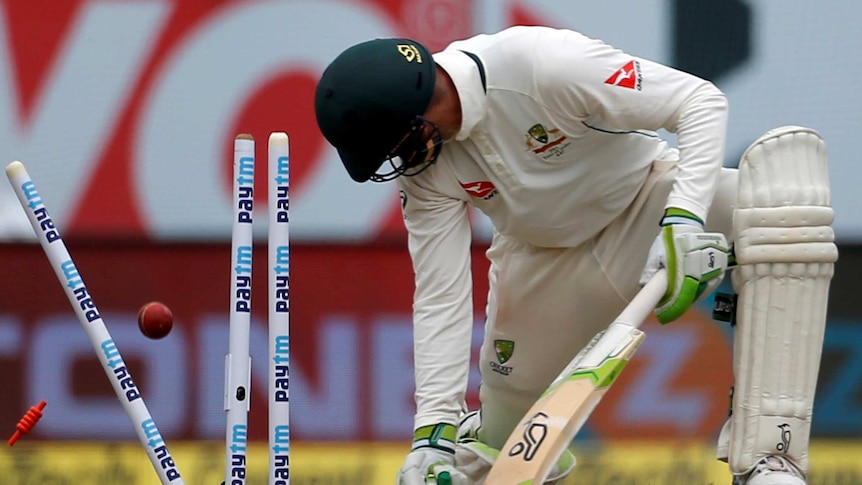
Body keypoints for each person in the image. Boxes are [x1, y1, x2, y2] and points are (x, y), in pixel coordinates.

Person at [314, 26, 836, 485]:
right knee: (491, 459)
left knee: (785, 200)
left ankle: (772, 457)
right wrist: (431, 431)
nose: (398, 160)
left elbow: (699, 101)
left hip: (647, 200)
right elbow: (440, 297)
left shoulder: (540, 63)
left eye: (395, 144)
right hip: (542, 263)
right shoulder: (424, 175)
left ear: (418, 110)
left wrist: (684, 218)